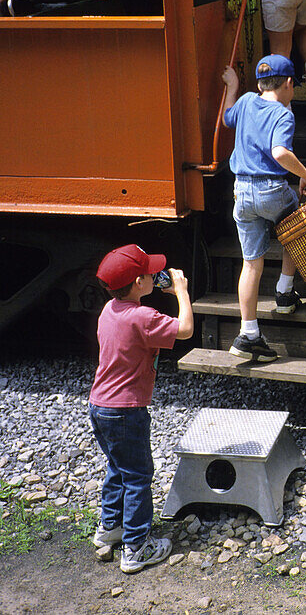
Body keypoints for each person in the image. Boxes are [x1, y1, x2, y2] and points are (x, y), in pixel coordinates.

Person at [89, 243, 193, 574]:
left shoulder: (109, 309)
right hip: (126, 411)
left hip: (99, 405)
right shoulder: (143, 317)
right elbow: (186, 329)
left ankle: (111, 527)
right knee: (138, 476)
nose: (153, 275)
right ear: (137, 283)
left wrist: (155, 285)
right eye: (149, 273)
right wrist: (181, 291)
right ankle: (136, 546)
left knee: (118, 468)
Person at [222, 53, 306, 361]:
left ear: (260, 83)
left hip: (241, 191)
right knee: (296, 224)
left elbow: (226, 118)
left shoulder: (248, 101)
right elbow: (279, 152)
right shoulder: (283, 115)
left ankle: (248, 334)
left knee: (251, 264)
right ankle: (285, 292)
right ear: (289, 83)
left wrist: (232, 86)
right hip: (270, 189)